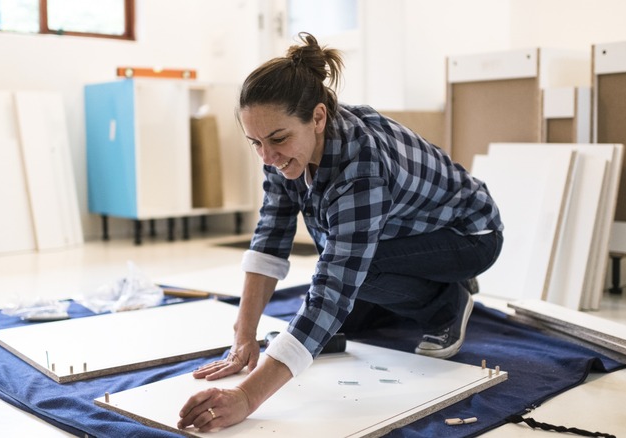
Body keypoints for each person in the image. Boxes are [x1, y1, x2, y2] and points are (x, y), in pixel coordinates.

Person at [176, 32, 503, 432]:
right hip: (402, 231)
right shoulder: (281, 147)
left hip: (470, 235)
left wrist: (247, 396)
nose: (267, 156)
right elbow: (270, 237)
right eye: (255, 142)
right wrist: (244, 337)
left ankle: (447, 301)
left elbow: (335, 282)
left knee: (352, 272)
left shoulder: (360, 164)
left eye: (277, 140)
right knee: (337, 268)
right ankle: (413, 289)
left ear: (317, 117)